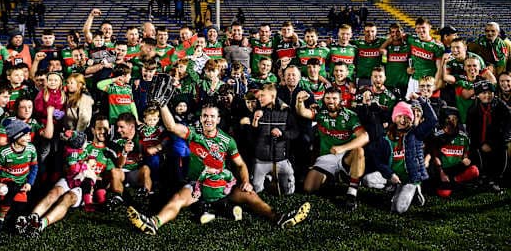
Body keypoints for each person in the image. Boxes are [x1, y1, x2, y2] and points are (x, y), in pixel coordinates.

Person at [127, 103, 311, 235]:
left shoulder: (227, 141)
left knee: (251, 196)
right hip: (198, 187)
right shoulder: (194, 134)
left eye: (212, 116)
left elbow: (240, 165)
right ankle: (153, 222)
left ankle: (279, 217)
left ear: (218, 119)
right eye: (205, 116)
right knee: (177, 199)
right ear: (200, 118)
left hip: (223, 187)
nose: (208, 119)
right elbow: (172, 126)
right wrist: (163, 105)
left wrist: (246, 182)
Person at [296, 87, 368, 210]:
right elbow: (302, 112)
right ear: (324, 99)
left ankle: (351, 194)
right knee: (308, 188)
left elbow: (364, 137)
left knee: (359, 150)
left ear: (340, 100)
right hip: (326, 157)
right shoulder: (321, 114)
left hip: (345, 156)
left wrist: (342, 147)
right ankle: (334, 176)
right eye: (328, 98)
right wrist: (299, 101)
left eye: (334, 98)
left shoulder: (350, 116)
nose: (331, 101)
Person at [362, 100, 437, 213]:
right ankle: (393, 187)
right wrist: (390, 174)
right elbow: (379, 162)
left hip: (409, 178)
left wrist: (423, 101)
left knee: (398, 209)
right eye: (400, 116)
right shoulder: (385, 138)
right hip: (393, 176)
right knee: (368, 180)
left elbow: (432, 121)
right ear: (394, 118)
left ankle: (414, 189)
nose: (403, 120)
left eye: (407, 117)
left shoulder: (415, 134)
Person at [0, 118, 38, 235]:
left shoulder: (31, 149)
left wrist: (29, 183)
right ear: (16, 136)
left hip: (22, 183)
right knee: (13, 188)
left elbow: (34, 167)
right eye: (25, 135)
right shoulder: (5, 152)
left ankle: (16, 221)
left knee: (20, 207)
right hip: (7, 181)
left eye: (29, 134)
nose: (28, 137)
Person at [251, 84, 298, 195]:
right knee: (256, 190)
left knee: (289, 190)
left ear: (272, 96)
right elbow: (250, 137)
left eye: (263, 95)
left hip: (281, 159)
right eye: (259, 96)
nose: (260, 98)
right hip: (261, 161)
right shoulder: (257, 111)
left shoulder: (286, 112)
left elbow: (295, 132)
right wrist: (254, 121)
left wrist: (282, 134)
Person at [466, 80, 511, 192]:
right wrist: (481, 144)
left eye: (490, 92)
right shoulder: (473, 110)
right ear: (477, 95)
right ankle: (482, 177)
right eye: (483, 93)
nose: (487, 95)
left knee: (500, 156)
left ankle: (495, 179)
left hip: (497, 141)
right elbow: (471, 130)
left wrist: (492, 143)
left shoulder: (501, 106)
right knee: (477, 155)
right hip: (480, 142)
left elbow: (507, 125)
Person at [430, 106, 479, 198]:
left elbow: (465, 154)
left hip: (457, 169)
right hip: (442, 169)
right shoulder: (437, 137)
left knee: (474, 171)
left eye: (454, 118)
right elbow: (435, 157)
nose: (451, 121)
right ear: (444, 120)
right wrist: (441, 173)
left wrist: (465, 159)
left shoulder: (463, 137)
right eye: (448, 118)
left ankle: (454, 182)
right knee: (444, 194)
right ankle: (455, 185)